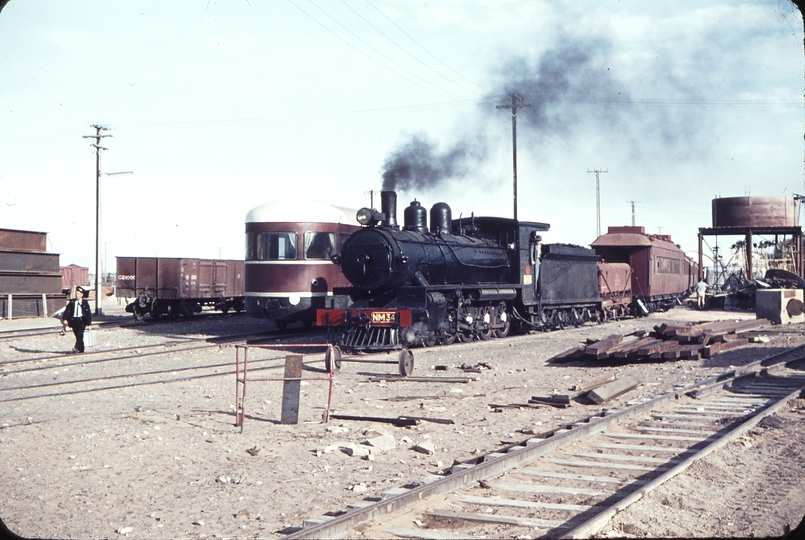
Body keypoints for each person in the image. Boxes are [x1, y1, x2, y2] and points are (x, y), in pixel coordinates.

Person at [62, 286, 92, 353]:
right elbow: (67, 310)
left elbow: (88, 313)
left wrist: (89, 323)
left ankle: (76, 347)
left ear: (82, 294)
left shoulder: (85, 303)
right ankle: (81, 348)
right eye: (76, 294)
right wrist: (65, 319)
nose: (77, 295)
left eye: (78, 294)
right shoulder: (72, 302)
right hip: (74, 320)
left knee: (79, 333)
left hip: (82, 320)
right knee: (78, 335)